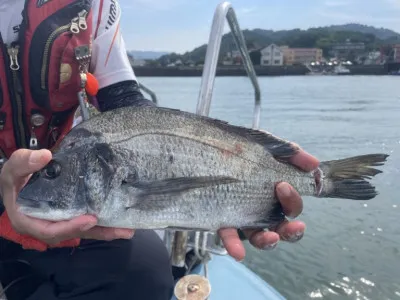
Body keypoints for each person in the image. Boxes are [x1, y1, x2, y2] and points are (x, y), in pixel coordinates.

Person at [0, 0, 320, 299]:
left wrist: (222, 183)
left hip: (66, 192)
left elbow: (127, 105)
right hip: (31, 191)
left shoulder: (94, 4)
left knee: (145, 272)